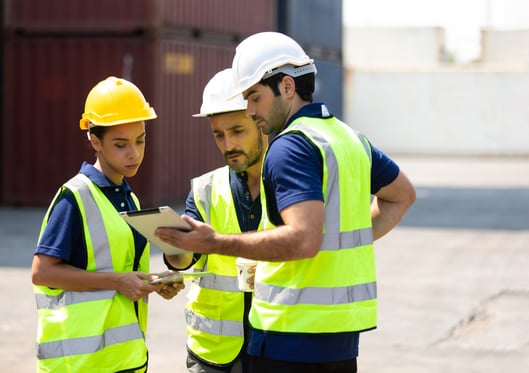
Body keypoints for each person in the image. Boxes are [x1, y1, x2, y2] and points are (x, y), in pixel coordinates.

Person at [156, 31, 416, 373]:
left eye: (254, 98)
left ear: (287, 88)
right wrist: (337, 241)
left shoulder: (290, 147)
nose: (251, 110)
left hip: (288, 333)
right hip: (339, 335)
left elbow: (303, 238)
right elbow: (402, 197)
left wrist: (215, 242)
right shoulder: (350, 139)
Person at [31, 76, 184, 373]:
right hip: (79, 365)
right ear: (95, 140)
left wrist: (153, 283)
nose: (134, 153)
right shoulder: (73, 197)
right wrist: (118, 281)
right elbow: (42, 272)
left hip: (126, 360)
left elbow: (119, 269)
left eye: (140, 140)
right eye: (121, 144)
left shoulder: (130, 199)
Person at [163, 68, 265, 373]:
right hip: (214, 352)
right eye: (218, 135)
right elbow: (183, 261)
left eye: (237, 131)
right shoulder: (204, 189)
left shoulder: (290, 185)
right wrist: (174, 249)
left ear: (261, 123)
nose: (227, 144)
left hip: (275, 346)